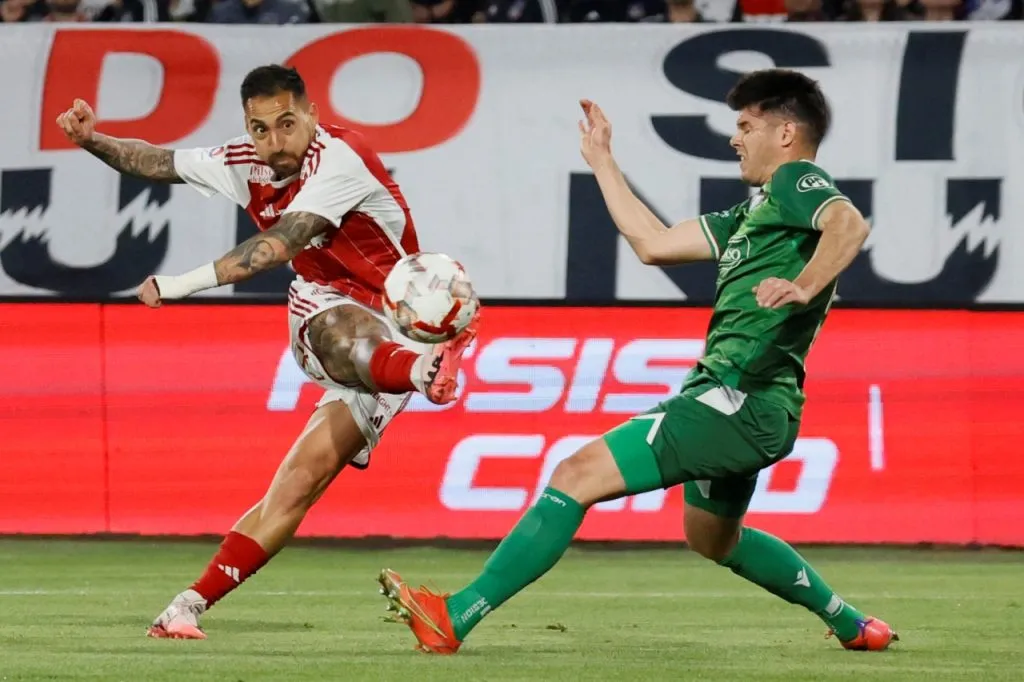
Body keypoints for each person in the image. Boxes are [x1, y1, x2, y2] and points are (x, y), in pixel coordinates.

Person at [378, 68, 898, 655]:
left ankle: (456, 616)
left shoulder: (797, 181)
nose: (735, 138)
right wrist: (603, 160)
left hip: (733, 398)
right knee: (714, 540)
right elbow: (653, 243)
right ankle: (853, 623)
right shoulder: (750, 217)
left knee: (576, 475)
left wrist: (804, 285)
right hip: (753, 405)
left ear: (785, 133)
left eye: (746, 125)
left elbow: (849, 222)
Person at [55, 64, 479, 640]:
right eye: (260, 128)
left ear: (309, 115)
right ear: (248, 127)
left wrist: (177, 285)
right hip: (323, 308)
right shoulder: (243, 162)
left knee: (302, 481)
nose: (274, 141)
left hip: (397, 316)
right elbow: (156, 161)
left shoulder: (339, 158)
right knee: (341, 330)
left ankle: (186, 606)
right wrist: (91, 141)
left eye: (286, 123)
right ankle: (423, 369)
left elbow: (282, 241)